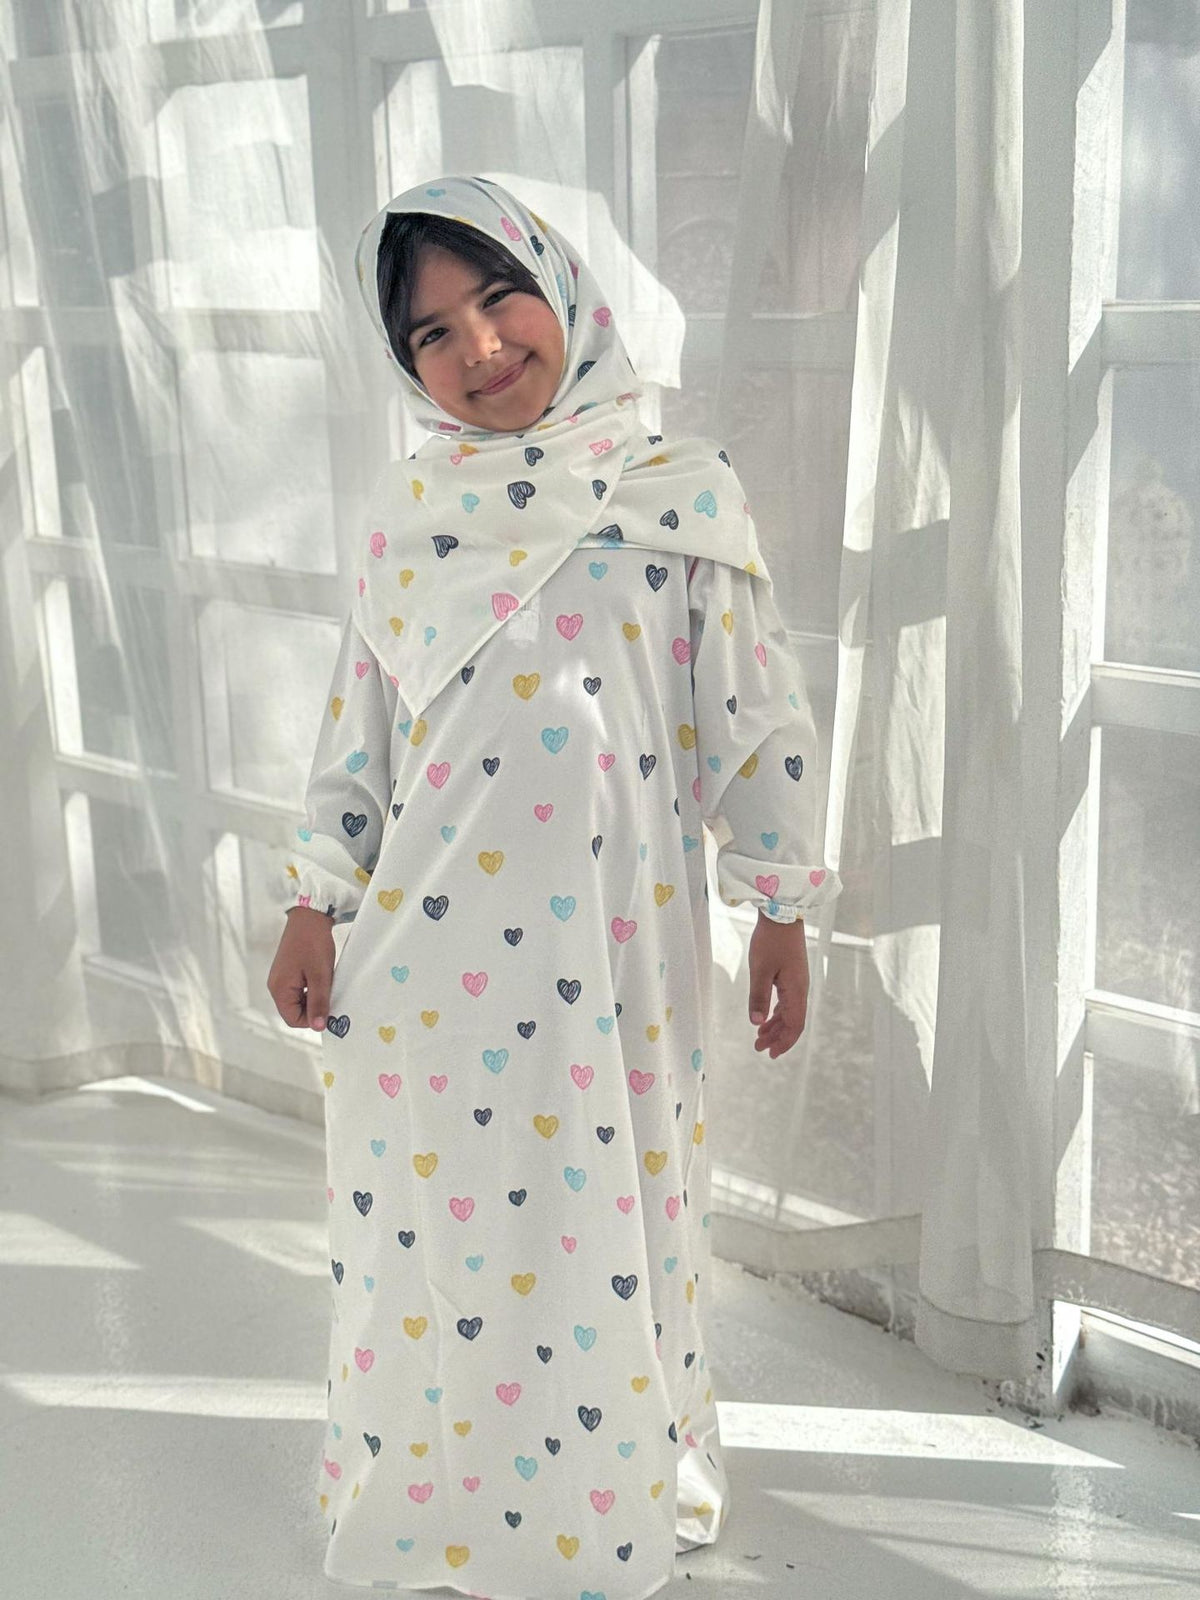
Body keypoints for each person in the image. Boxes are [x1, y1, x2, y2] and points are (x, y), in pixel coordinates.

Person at [267, 175, 842, 1600]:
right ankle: (438, 1504)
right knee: (443, 1238)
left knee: (609, 1223)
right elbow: (361, 728)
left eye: (497, 298)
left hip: (616, 957)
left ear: (562, 291)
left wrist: (781, 907)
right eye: (431, 333)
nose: (477, 347)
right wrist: (312, 898)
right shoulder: (414, 513)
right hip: (426, 969)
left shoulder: (680, 493)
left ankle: (605, 1503)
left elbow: (754, 717)